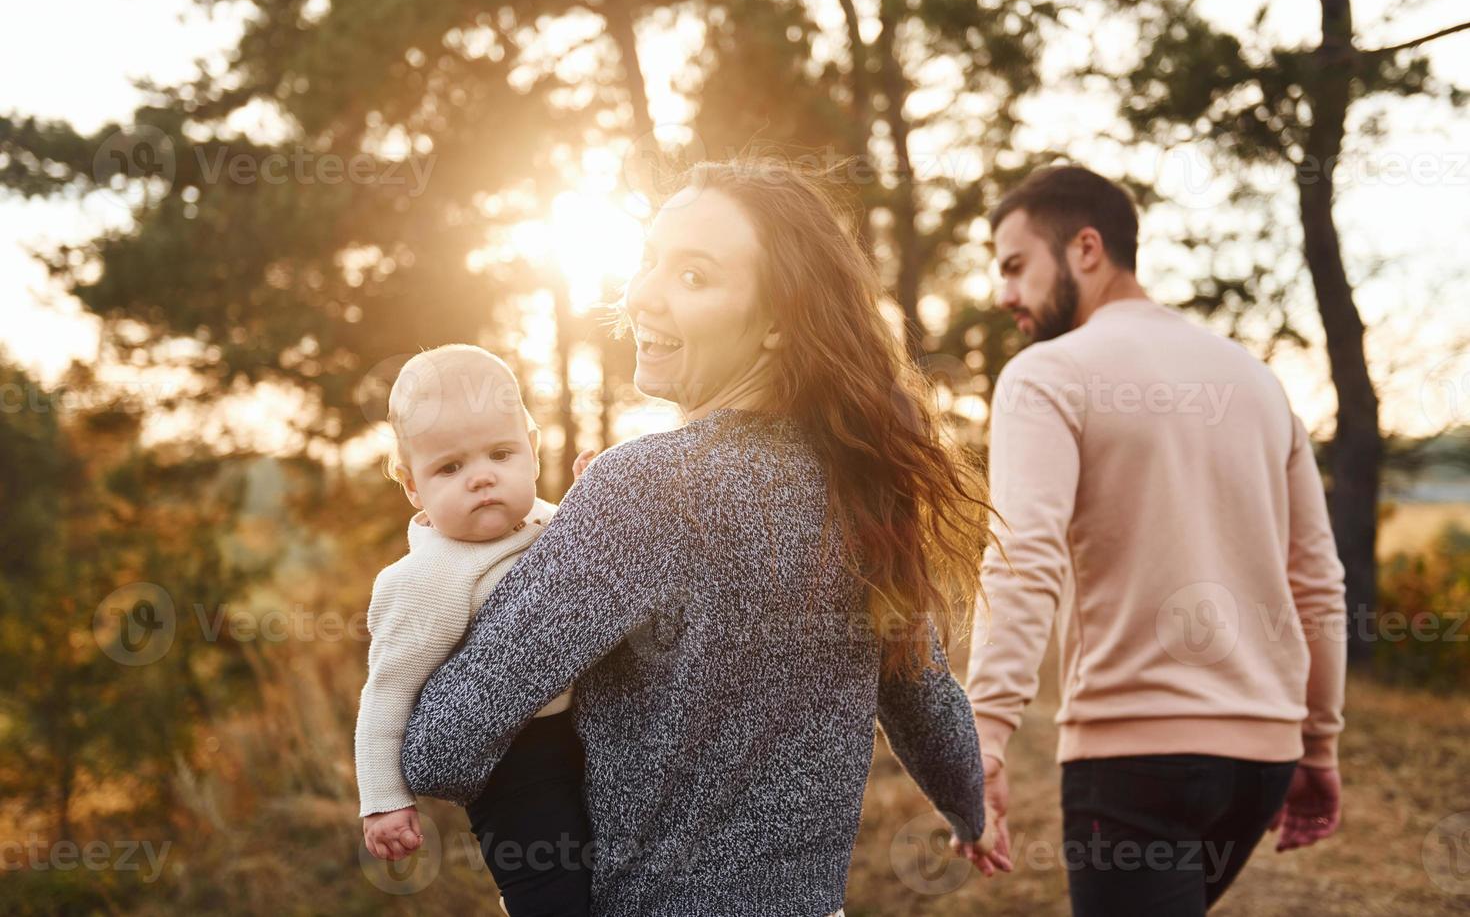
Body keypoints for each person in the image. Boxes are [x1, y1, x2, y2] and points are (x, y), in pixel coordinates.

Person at [399, 158, 993, 916]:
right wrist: (974, 815)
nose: (642, 294)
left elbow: (442, 747)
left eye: (693, 276)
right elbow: (925, 700)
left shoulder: (643, 490)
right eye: (650, 259)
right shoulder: (863, 487)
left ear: (779, 321)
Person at [964, 164, 1347, 915]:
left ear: (1085, 248)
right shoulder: (1258, 381)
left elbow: (1022, 559)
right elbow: (1318, 580)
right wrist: (1319, 743)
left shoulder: (1046, 375)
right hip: (1261, 764)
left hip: (1136, 764)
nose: (1004, 294)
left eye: (1015, 267)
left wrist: (982, 737)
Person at [354, 344, 594, 916]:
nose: (482, 478)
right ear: (413, 488)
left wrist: (597, 496)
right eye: (450, 468)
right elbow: (387, 692)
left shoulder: (549, 520)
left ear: (532, 453)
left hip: (590, 736)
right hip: (509, 764)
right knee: (552, 892)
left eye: (501, 453)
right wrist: (383, 799)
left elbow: (595, 560)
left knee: (615, 881)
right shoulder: (425, 578)